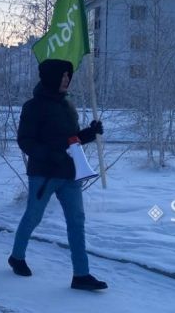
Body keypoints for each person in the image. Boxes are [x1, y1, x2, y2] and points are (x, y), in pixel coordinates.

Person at [8, 59, 107, 292]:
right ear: (51, 78)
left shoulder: (67, 105)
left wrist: (90, 133)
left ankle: (81, 275)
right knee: (33, 217)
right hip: (44, 174)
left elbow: (71, 140)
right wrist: (49, 155)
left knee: (76, 221)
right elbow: (25, 141)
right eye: (62, 76)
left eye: (68, 76)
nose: (66, 80)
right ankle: (17, 257)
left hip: (69, 173)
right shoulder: (33, 106)